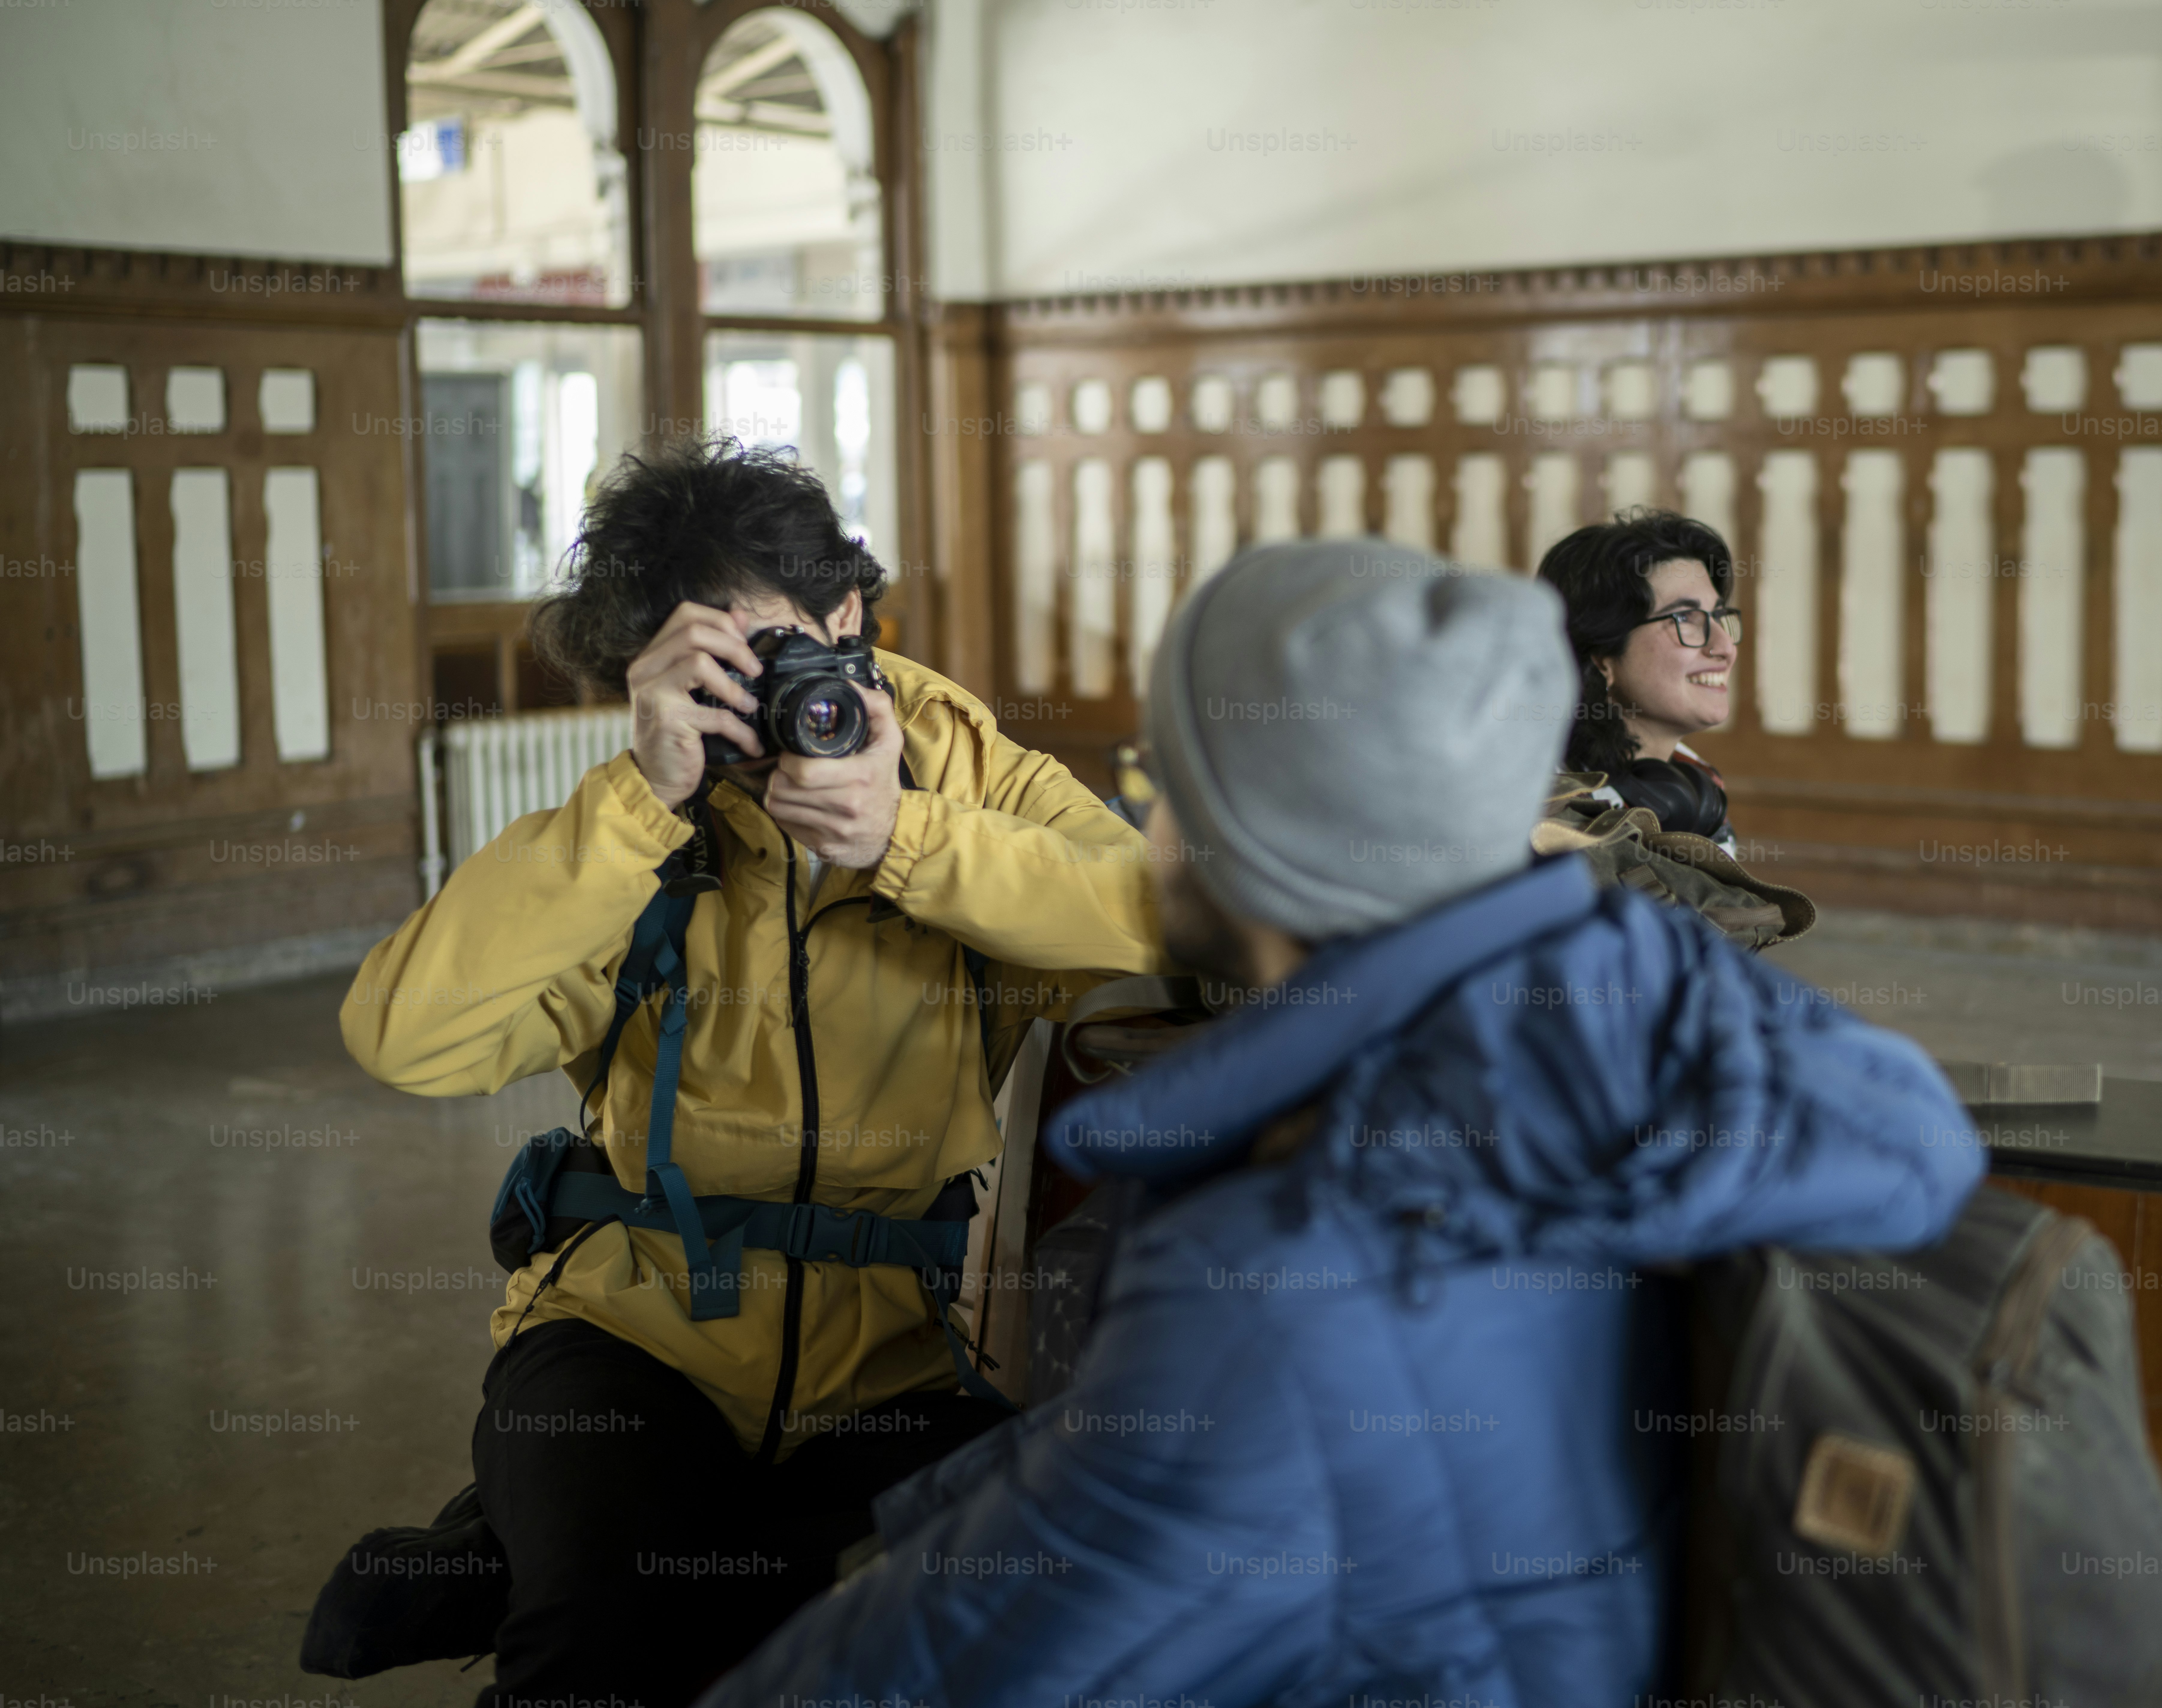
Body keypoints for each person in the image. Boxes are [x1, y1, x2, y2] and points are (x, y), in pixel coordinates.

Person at [697, 539, 1984, 1708]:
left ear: (1257, 837)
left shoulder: (1291, 1268)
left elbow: (958, 1657)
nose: (1148, 826)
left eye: (1173, 784)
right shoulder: (1662, 1019)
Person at [335, 439, 1164, 1703]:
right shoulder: (638, 825)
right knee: (601, 1646)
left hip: (887, 1359)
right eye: (705, 668)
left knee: (1022, 1613)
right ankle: (571, 1550)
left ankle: (540, 1546)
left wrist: (909, 839)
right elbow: (401, 1035)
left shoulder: (962, 770)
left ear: (849, 615)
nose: (757, 703)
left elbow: (1160, 922)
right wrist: (636, 804)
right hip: (625, 1334)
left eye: (774, 648)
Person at [1538, 508, 1745, 854]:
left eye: (1719, 617)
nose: (1725, 647)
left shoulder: (1698, 786)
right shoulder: (1546, 805)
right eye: (1685, 618)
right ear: (1603, 659)